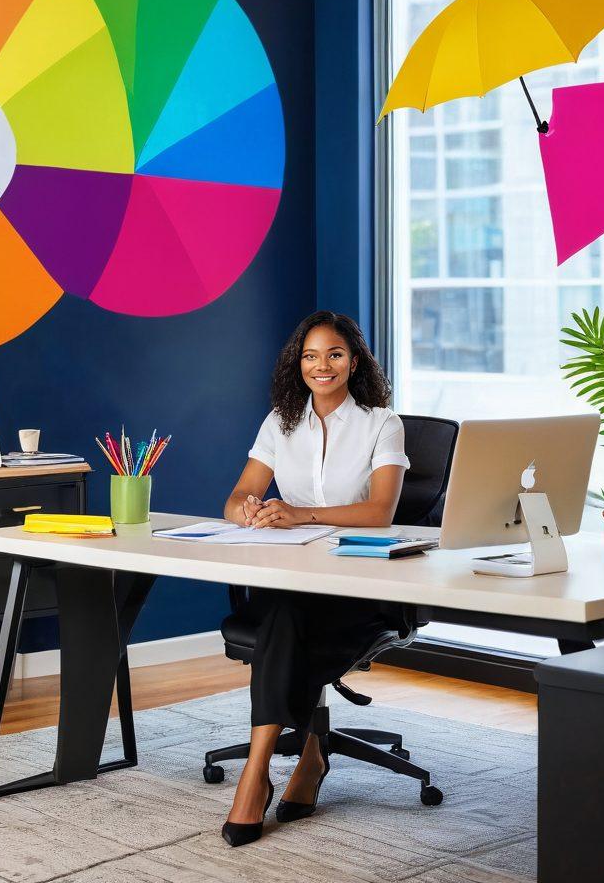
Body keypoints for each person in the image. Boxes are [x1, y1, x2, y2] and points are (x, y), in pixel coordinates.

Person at [220, 310, 409, 847]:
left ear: (354, 361)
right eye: (309, 355)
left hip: (356, 585)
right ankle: (307, 753)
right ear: (296, 364)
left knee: (287, 619)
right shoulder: (280, 421)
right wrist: (251, 510)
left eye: (334, 354)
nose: (321, 366)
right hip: (291, 574)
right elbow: (235, 497)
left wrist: (302, 514)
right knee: (286, 612)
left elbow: (380, 512)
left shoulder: (381, 422)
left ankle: (255, 776)